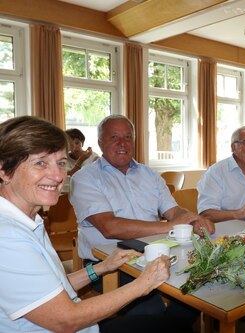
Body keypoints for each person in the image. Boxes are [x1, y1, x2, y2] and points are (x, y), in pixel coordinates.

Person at [0, 116, 183, 333]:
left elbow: (51, 286)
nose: (58, 175)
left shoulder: (28, 221)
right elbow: (66, 320)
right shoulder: (7, 236)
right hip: (76, 326)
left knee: (179, 314)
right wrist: (144, 283)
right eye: (40, 163)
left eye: (60, 163)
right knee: (167, 322)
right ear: (4, 170)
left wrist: (103, 266)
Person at [70, 115, 214, 324]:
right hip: (109, 265)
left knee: (199, 290)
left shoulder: (150, 174)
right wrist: (168, 226)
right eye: (114, 137)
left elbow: (173, 211)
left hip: (159, 254)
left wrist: (194, 220)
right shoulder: (84, 178)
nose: (122, 143)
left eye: (128, 137)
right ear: (100, 143)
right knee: (149, 312)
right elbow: (110, 228)